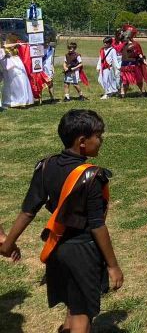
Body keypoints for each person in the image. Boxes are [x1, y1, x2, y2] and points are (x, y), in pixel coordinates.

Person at [0, 110, 124, 333]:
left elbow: (28, 211)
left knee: (72, 304)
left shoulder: (45, 166)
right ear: (82, 141)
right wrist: (113, 266)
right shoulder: (92, 177)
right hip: (83, 252)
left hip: (56, 249)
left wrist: (8, 243)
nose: (101, 140)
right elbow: (97, 225)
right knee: (82, 315)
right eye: (99, 136)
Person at [0, 37, 35, 108]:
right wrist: (17, 43)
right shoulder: (3, 48)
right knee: (11, 84)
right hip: (8, 68)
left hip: (12, 65)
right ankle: (13, 100)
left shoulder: (6, 48)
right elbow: (5, 47)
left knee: (20, 81)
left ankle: (23, 100)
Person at [119, 29, 147, 98]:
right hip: (124, 65)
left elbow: (139, 53)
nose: (123, 39)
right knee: (125, 80)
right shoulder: (123, 45)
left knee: (138, 80)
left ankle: (143, 92)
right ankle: (123, 94)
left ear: (128, 37)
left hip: (133, 65)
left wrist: (144, 61)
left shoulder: (135, 44)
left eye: (124, 38)